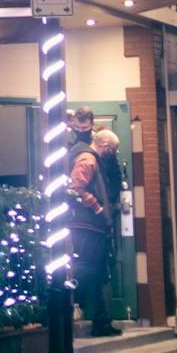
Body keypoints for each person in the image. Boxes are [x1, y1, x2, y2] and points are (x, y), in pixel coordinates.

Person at [66, 127, 122, 337]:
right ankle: (87, 315)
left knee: (94, 271)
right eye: (113, 149)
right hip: (88, 225)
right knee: (90, 270)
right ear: (105, 146)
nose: (113, 154)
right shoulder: (89, 160)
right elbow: (76, 187)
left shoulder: (88, 158)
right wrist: (98, 208)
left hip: (88, 226)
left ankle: (97, 318)